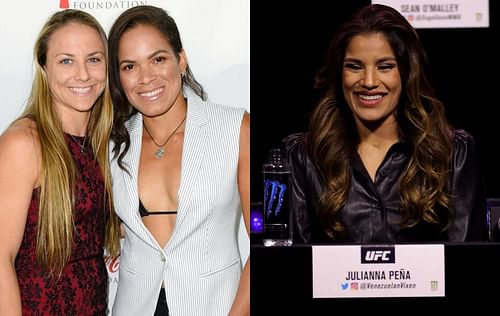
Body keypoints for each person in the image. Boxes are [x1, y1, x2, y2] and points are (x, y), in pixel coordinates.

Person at [284, 4, 487, 244]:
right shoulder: (304, 155)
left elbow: (465, 264)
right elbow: (292, 265)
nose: (369, 81)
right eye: (354, 66)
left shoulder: (453, 153)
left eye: (385, 66)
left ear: (406, 72)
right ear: (340, 73)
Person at [108, 5, 249, 316]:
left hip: (216, 306)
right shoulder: (112, 144)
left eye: (158, 59)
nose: (145, 78)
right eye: (129, 66)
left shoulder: (235, 128)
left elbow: (268, 238)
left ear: (180, 60)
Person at [0, 9, 120, 315]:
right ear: (44, 67)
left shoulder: (104, 142)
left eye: (94, 59)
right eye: (66, 60)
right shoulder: (25, 142)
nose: (82, 74)